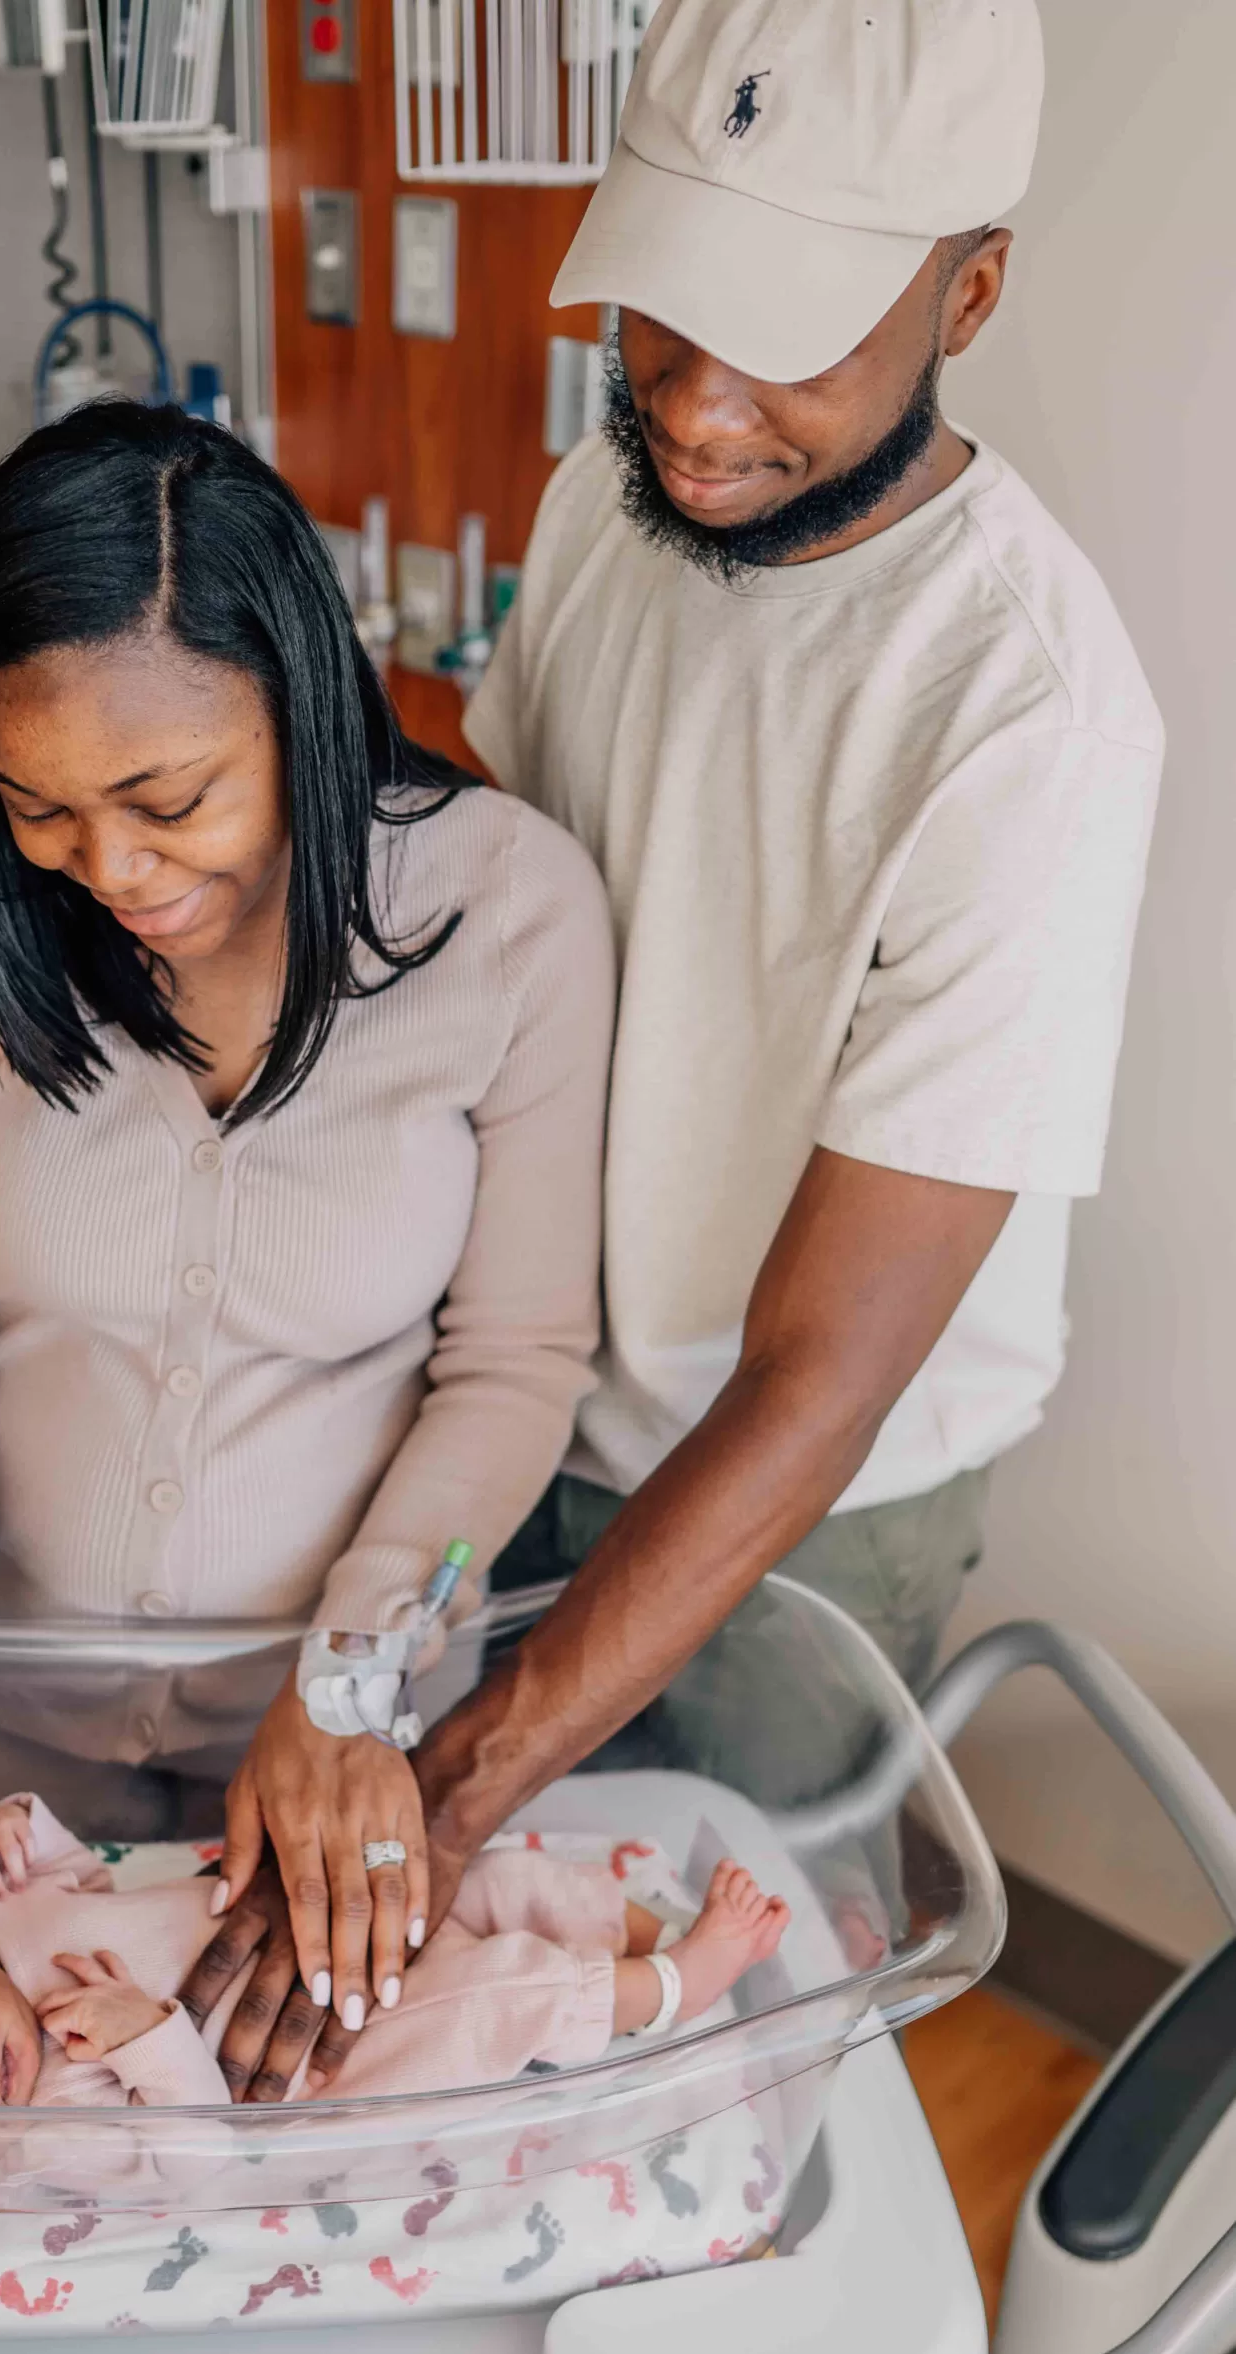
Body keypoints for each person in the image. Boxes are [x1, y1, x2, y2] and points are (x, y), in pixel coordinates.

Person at [193, 0, 1163, 2098]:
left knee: (714, 2004)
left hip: (809, 1483)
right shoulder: (606, 504)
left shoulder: (1017, 719)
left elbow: (818, 1369)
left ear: (966, 288)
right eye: (659, 315)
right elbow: (522, 874)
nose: (699, 403)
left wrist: (452, 1778)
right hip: (539, 1366)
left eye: (788, 331)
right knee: (466, 1997)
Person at [0, 402, 616, 2055]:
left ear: (300, 706)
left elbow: (514, 1365)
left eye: (168, 796)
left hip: (333, 1731)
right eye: (35, 804)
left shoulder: (508, 917)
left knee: (288, 2115)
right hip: (5, 1704)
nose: (106, 865)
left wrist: (347, 1682)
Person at [0, 1791, 788, 2106]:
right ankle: (673, 1984)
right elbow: (194, 2157)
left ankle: (639, 1923)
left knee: (493, 1878)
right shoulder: (53, 2110)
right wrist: (146, 2035)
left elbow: (89, 1869)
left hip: (335, 1911)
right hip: (346, 2038)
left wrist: (19, 1829)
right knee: (486, 1994)